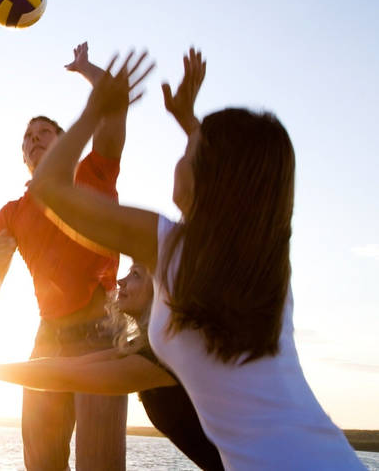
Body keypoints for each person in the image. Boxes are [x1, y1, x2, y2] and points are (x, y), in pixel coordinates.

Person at [28, 48, 364, 469]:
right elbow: (240, 178)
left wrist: (96, 109)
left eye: (190, 150)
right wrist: (189, 122)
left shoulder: (168, 247)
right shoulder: (265, 265)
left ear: (211, 174)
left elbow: (48, 188)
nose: (180, 156)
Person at [0, 42, 128, 470]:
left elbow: (114, 112)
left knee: (100, 464)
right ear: (23, 156)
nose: (34, 139)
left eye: (44, 133)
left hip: (101, 331)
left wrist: (87, 71)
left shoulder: (91, 176)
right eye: (27, 137)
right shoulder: (10, 214)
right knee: (41, 464)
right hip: (47, 339)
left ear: (65, 144)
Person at [0, 263, 224, 470]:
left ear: (159, 293)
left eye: (136, 275)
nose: (121, 280)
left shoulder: (164, 358)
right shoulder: (145, 349)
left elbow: (67, 377)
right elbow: (70, 367)